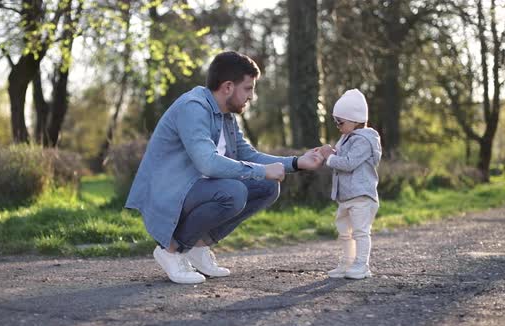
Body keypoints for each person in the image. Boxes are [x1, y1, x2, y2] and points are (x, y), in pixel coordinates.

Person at [126, 51, 324, 284]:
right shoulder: (193, 107)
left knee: (268, 187)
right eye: (248, 88)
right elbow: (208, 163)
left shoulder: (225, 115)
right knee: (234, 192)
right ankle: (171, 250)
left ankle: (198, 247)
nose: (252, 96)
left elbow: (247, 155)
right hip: (169, 192)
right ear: (228, 87)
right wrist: (261, 170)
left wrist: (297, 162)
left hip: (195, 190)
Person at [317, 89, 382, 279]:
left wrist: (330, 157)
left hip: (361, 196)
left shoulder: (364, 140)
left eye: (340, 122)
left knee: (361, 232)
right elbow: (340, 157)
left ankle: (362, 265)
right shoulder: (347, 137)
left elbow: (348, 163)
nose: (337, 126)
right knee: (344, 231)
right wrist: (327, 152)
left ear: (355, 120)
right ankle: (347, 262)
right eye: (336, 122)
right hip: (345, 196)